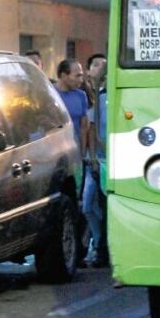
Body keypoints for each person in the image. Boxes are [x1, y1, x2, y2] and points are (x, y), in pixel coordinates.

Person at [81, 54, 108, 266]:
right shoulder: (91, 98)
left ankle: (102, 250)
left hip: (114, 160)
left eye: (103, 64)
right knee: (88, 205)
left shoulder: (113, 96)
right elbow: (89, 129)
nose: (100, 68)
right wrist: (91, 157)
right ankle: (98, 243)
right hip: (96, 160)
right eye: (96, 64)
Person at [55, 59, 89, 154]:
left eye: (81, 76)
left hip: (74, 148)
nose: (81, 80)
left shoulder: (81, 96)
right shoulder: (50, 94)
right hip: (54, 150)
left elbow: (83, 127)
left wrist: (82, 152)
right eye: (77, 76)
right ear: (64, 76)